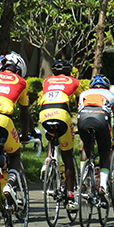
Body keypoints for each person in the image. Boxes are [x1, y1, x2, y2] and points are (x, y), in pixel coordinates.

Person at [0, 52, 31, 206]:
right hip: (3, 120)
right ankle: (10, 183)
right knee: (14, 154)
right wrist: (24, 135)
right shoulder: (21, 82)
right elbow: (24, 113)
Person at [38, 59, 81, 210]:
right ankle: (70, 196)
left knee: (51, 134)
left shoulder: (47, 81)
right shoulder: (75, 82)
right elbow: (79, 103)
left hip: (44, 113)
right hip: (62, 112)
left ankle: (48, 159)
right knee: (67, 154)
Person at [77, 75, 114, 206]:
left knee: (87, 146)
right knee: (104, 152)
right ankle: (103, 185)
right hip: (101, 119)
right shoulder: (111, 95)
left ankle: (83, 180)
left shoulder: (83, 94)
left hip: (82, 119)